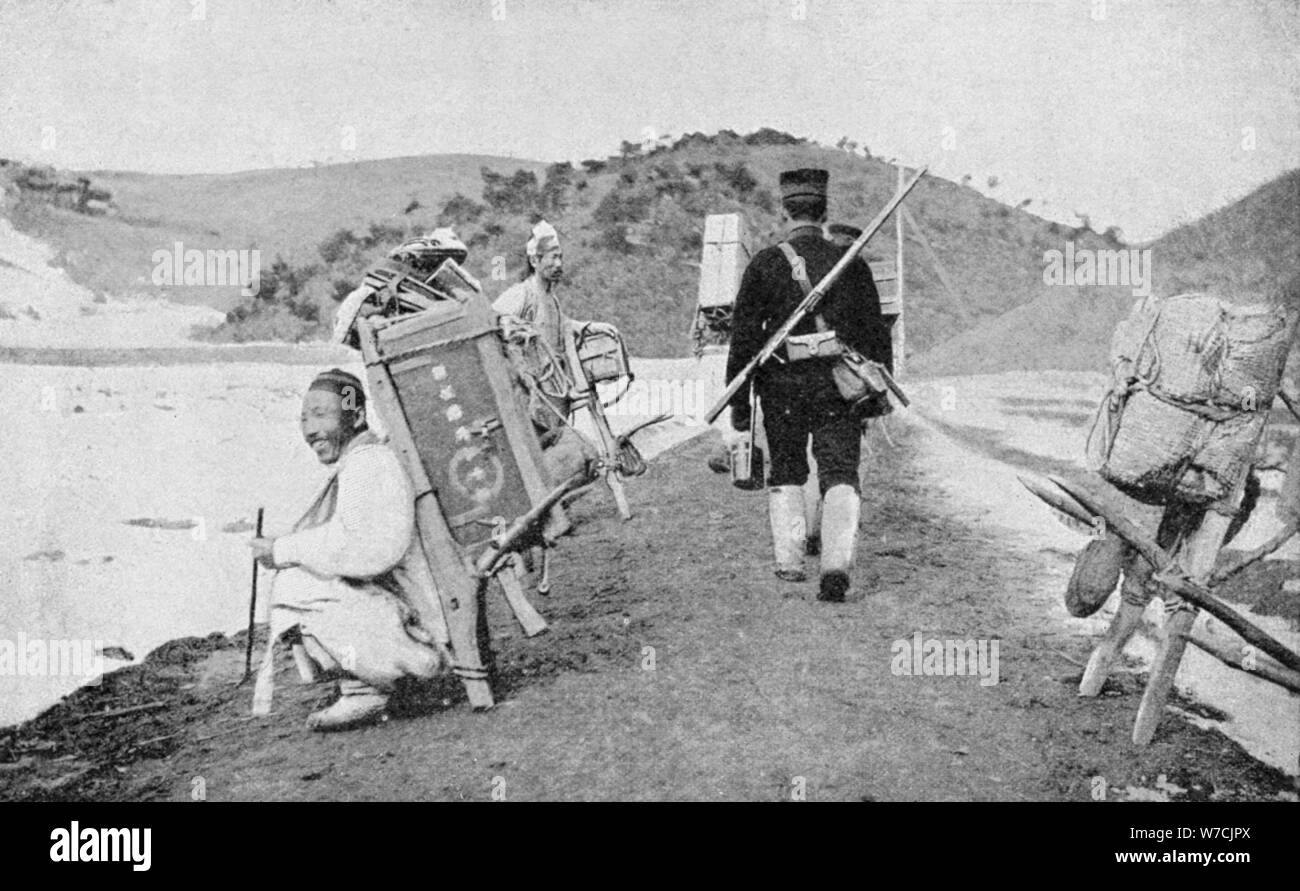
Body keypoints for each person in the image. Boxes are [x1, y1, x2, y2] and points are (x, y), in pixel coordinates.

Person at [249, 369, 449, 731]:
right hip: (419, 613)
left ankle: (368, 687)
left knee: (296, 584)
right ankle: (373, 679)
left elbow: (366, 550)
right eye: (305, 418)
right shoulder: (366, 459)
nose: (310, 429)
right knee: (297, 572)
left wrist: (281, 550)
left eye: (321, 415)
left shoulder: (368, 463)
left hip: (425, 628)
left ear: (356, 415)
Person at [725, 169, 892, 602]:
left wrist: (740, 406)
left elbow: (743, 339)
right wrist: (876, 393)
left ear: (785, 210)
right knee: (840, 473)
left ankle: (791, 561)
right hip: (838, 387)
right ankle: (836, 565)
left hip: (781, 386)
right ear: (825, 210)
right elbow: (876, 336)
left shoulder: (765, 264)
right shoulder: (850, 264)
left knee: (787, 469)